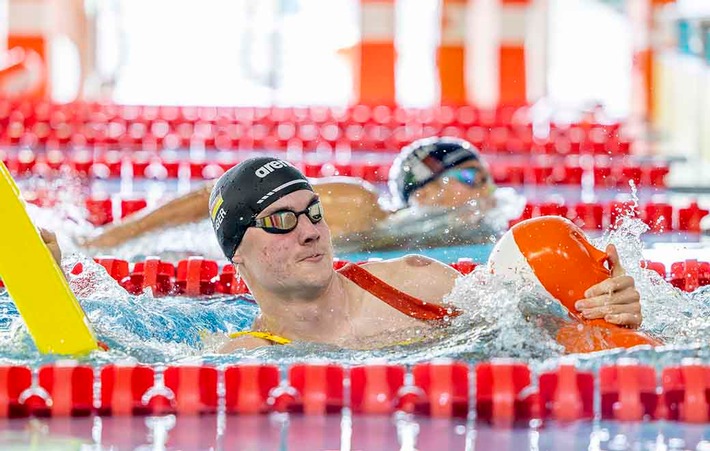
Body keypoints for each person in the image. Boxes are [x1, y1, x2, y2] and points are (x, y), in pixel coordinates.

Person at [209, 156, 642, 352]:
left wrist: (605, 310)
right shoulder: (245, 357)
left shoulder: (414, 284)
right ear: (237, 253)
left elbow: (548, 329)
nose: (309, 232)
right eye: (282, 221)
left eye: (313, 213)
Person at [79, 137, 502, 254]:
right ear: (423, 191)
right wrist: (113, 238)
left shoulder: (450, 239)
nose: (485, 190)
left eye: (485, 178)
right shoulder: (358, 207)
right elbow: (224, 195)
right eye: (469, 177)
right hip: (203, 256)